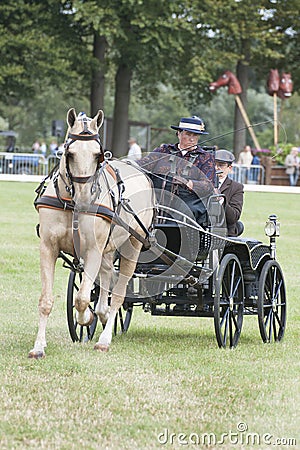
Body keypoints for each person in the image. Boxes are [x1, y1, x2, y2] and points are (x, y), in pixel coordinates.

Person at [137, 116, 215, 225]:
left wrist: (188, 183)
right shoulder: (163, 150)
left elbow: (209, 185)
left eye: (195, 135)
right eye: (188, 134)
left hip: (187, 203)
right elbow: (142, 165)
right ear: (179, 133)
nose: (192, 139)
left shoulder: (205, 157)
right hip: (156, 200)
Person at [215, 149, 244, 237]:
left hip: (225, 233)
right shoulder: (203, 184)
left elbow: (234, 217)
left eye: (221, 165)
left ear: (229, 168)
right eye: (214, 164)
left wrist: (220, 200)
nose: (217, 168)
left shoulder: (236, 187)